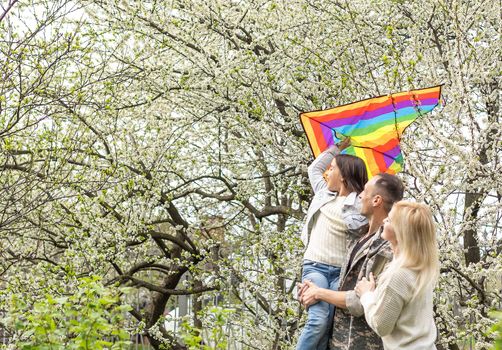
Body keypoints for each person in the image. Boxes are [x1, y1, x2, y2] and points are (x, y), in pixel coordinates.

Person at [298, 173, 404, 349]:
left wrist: (319, 293)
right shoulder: (356, 237)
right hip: (337, 342)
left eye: (365, 191)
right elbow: (337, 283)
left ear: (376, 200)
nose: (359, 195)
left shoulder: (387, 248)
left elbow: (359, 301)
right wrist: (308, 291)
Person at [296, 139, 368, 350]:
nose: (327, 172)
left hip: (341, 273)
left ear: (343, 176)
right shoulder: (322, 194)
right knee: (318, 320)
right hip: (315, 266)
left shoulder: (358, 204)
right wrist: (337, 149)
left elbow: (365, 227)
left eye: (333, 169)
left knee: (330, 325)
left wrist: (357, 199)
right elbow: (314, 168)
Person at [355, 201, 439, 350]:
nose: (384, 220)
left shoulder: (399, 275)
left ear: (401, 232)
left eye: (390, 220)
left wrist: (366, 296)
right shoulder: (420, 268)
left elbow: (381, 326)